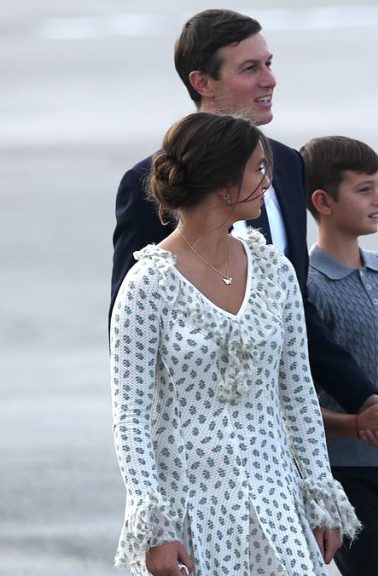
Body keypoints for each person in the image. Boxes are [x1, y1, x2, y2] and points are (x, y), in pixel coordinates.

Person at [110, 112, 361, 576]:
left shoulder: (274, 271)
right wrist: (155, 527)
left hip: (277, 503)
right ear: (225, 183)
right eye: (258, 169)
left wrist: (319, 493)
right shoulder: (146, 285)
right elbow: (131, 416)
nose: (268, 182)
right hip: (191, 511)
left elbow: (298, 393)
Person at [110, 8, 378, 417]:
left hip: (287, 415)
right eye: (250, 68)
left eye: (268, 64)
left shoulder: (288, 165)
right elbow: (128, 329)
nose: (269, 79)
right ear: (203, 82)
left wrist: (362, 397)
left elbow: (294, 305)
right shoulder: (149, 181)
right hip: (202, 423)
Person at [300, 135, 378, 576]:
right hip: (343, 475)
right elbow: (294, 401)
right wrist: (355, 424)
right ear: (323, 201)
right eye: (364, 189)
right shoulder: (306, 286)